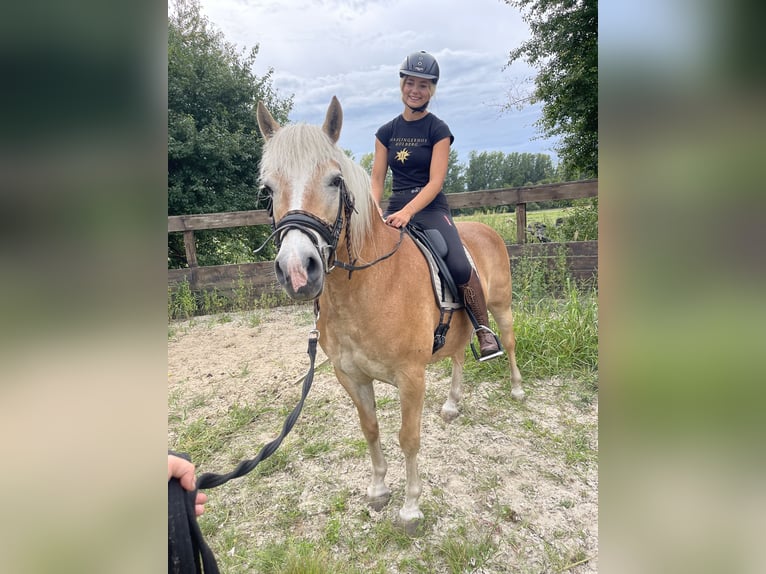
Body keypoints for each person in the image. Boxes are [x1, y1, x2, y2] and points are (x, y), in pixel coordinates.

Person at [370, 50, 503, 361]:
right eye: (411, 83)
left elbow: (435, 182)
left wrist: (408, 212)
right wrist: (375, 207)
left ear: (432, 90)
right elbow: (377, 178)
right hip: (394, 208)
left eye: (424, 85)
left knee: (458, 263)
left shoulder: (437, 129)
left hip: (430, 209)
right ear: (401, 84)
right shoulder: (386, 132)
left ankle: (483, 329)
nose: (416, 90)